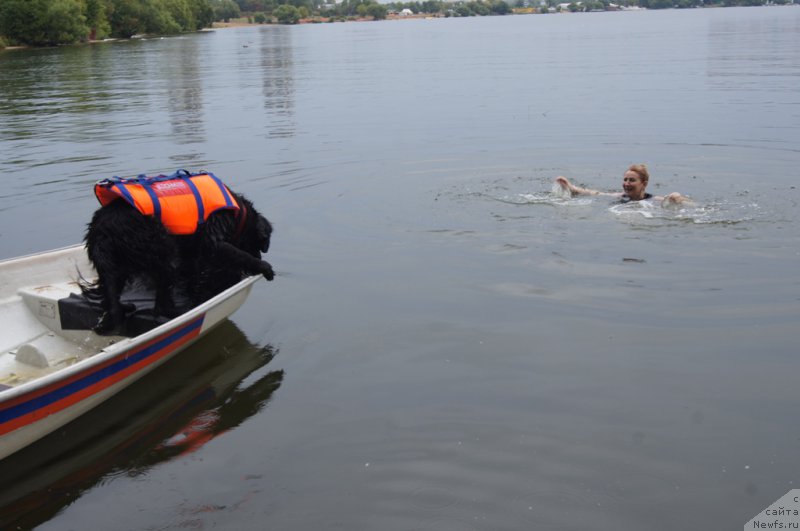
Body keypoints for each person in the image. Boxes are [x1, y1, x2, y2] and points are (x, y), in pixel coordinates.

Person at [555, 164, 690, 206]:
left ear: (644, 184)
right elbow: (593, 193)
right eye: (625, 180)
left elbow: (687, 203)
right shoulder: (619, 197)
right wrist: (571, 187)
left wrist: (677, 198)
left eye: (631, 180)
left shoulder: (654, 200)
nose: (626, 184)